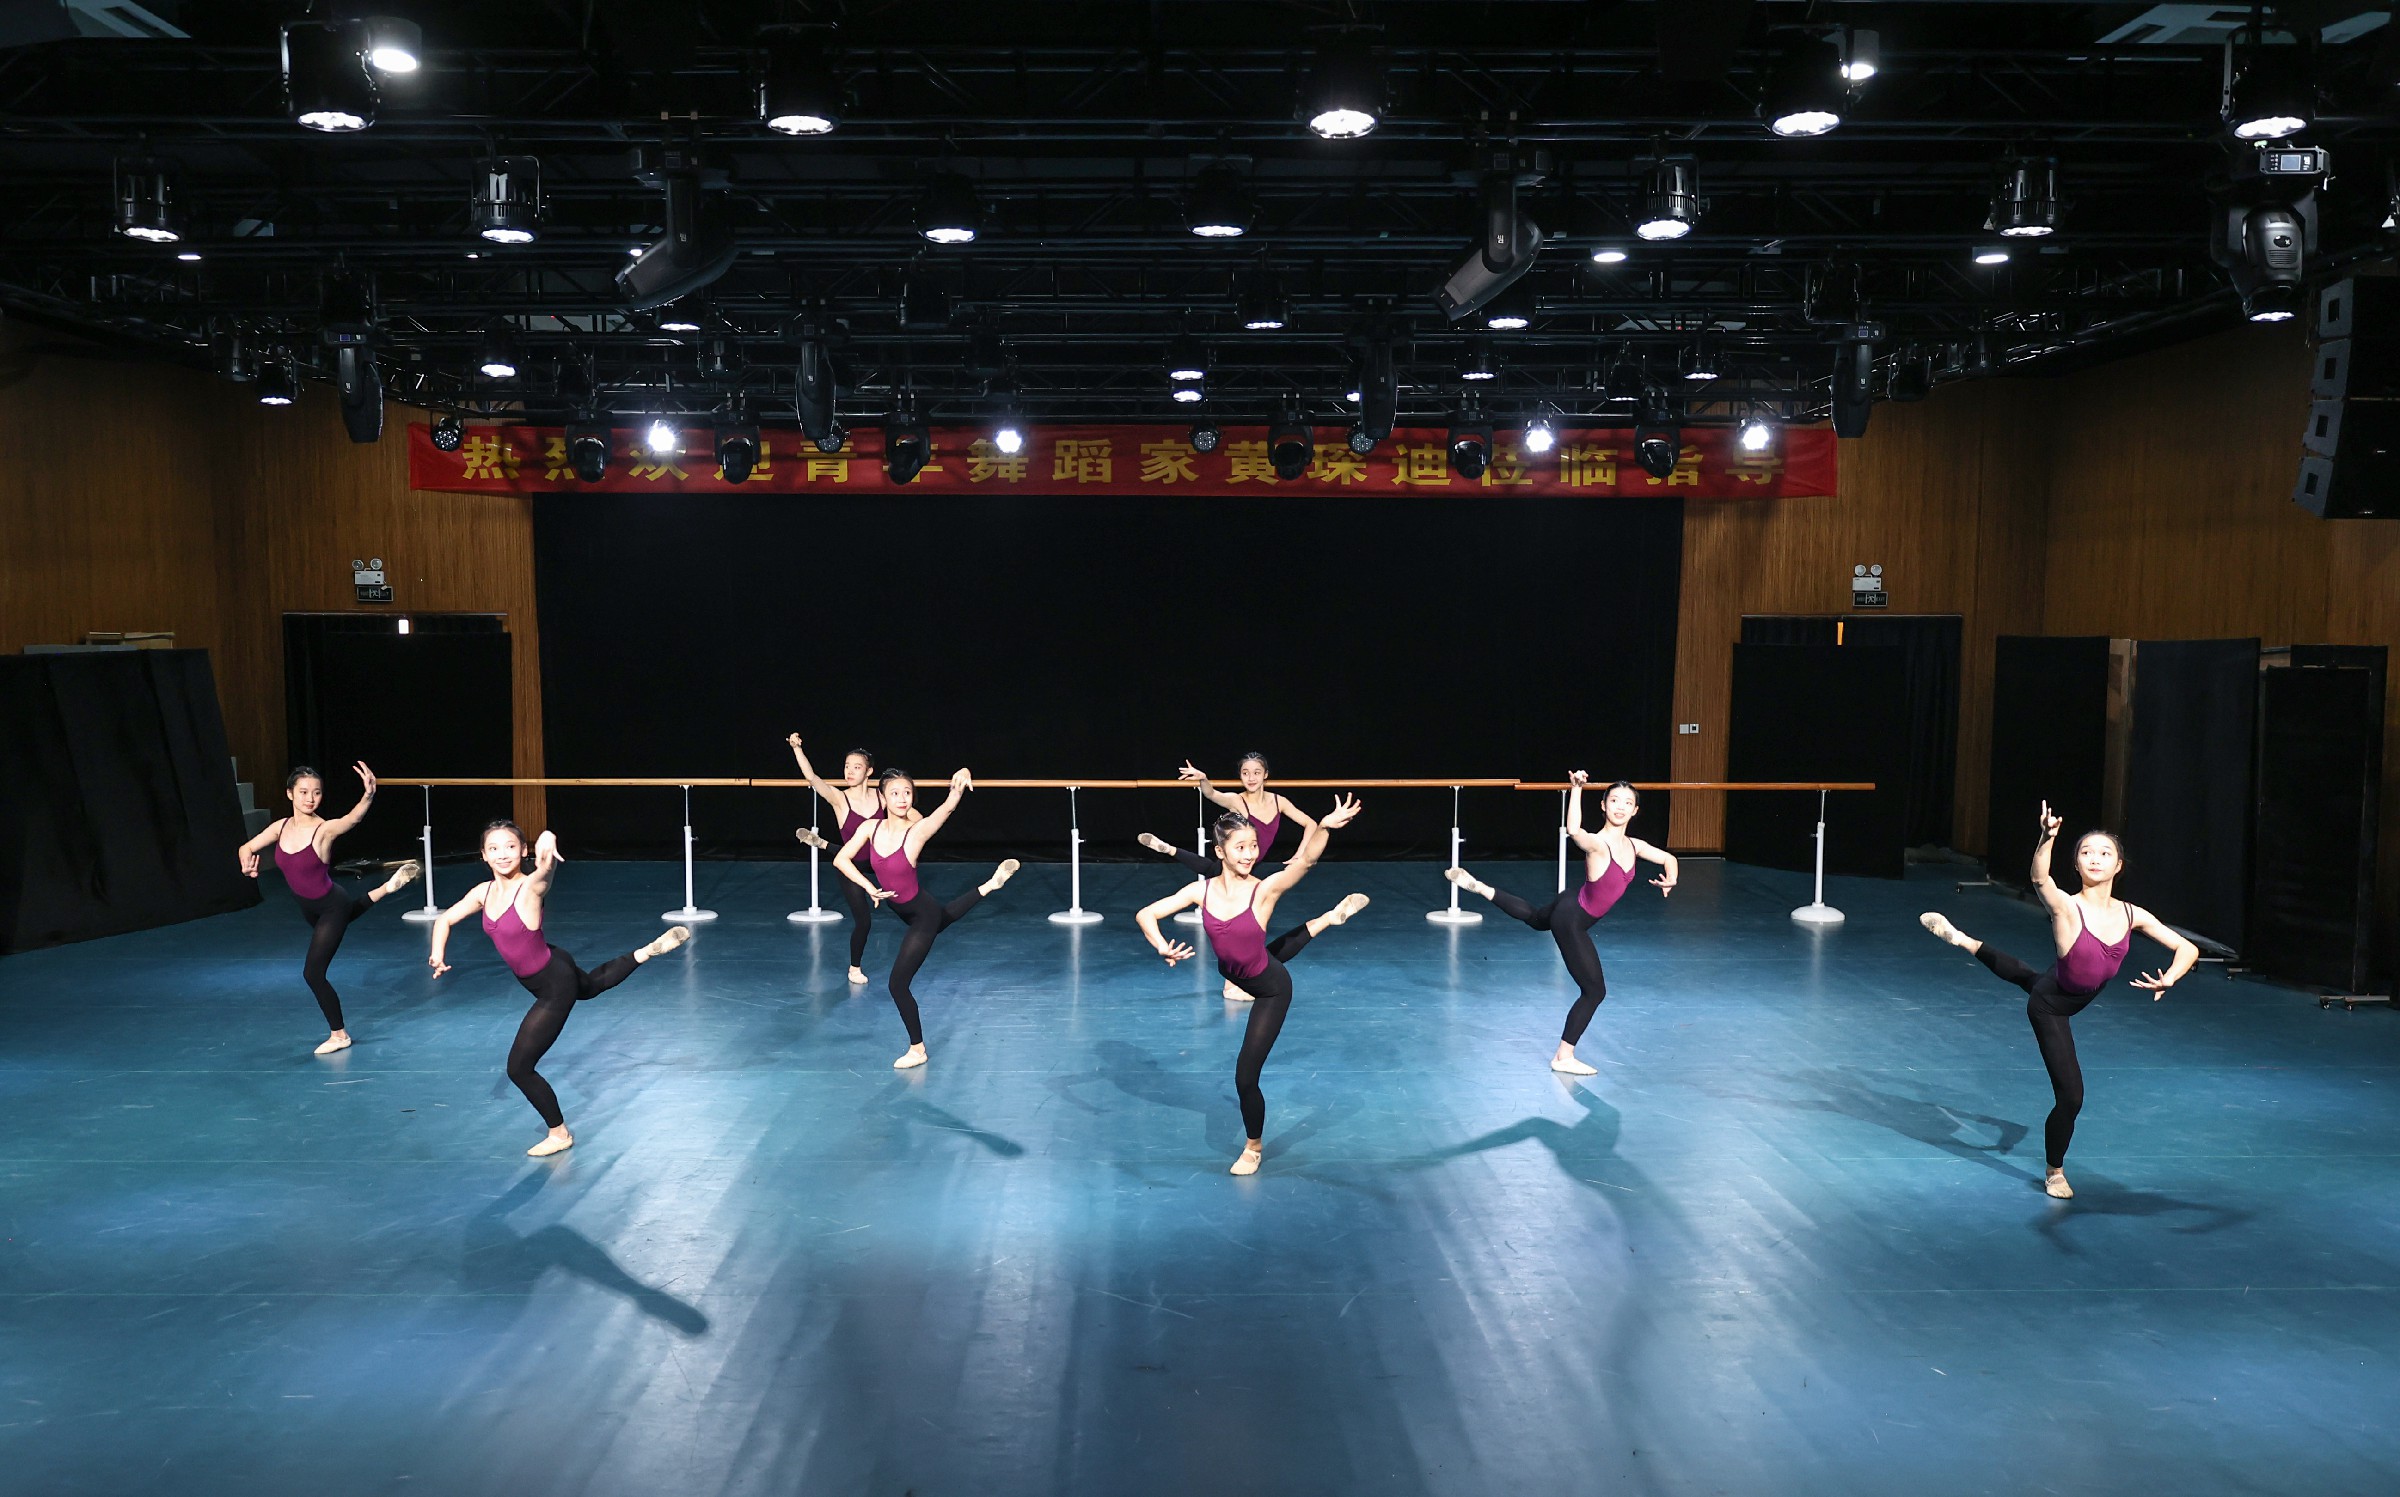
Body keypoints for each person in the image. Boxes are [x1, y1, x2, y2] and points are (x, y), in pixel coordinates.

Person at [1919, 801, 2198, 1198]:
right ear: (2077, 864)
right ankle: (2055, 1171)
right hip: (2052, 1007)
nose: (2095, 858)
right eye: (2086, 852)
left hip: (2062, 985)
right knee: (2071, 1096)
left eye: (2105, 853)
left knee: (2032, 978)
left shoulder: (2132, 914)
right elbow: (2039, 878)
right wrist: (2047, 838)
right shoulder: (2066, 907)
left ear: (2118, 865)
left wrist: (2170, 977)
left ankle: (1963, 939)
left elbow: (2187, 948)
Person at [1134, 795, 1368, 1175]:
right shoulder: (1200, 891)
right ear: (1220, 852)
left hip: (1270, 990)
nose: (1249, 854)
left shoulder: (1264, 890)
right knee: (1263, 956)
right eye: (1240, 847)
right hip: (1241, 972)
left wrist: (1323, 827)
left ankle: (1253, 1148)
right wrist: (1162, 946)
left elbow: (1306, 862)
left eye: (1254, 846)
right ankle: (1326, 919)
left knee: (1245, 1077)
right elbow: (1146, 914)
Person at [427, 820, 692, 1156]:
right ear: (483, 855)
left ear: (524, 850)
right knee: (590, 987)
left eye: (510, 846)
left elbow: (545, 872)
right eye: (494, 848)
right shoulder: (483, 892)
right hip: (555, 960)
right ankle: (645, 952)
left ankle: (559, 1133)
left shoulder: (530, 888)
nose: (502, 854)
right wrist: (437, 954)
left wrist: (549, 840)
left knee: (519, 1069)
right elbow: (445, 919)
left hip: (553, 984)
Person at [1445, 772, 1677, 1076]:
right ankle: (1563, 1057)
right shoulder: (1598, 844)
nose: (1620, 806)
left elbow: (1669, 858)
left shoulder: (1635, 845)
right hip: (1573, 920)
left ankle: (1483, 889)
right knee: (1594, 992)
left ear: (1635, 810)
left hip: (1570, 901)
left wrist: (1671, 878)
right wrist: (1576, 789)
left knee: (1535, 919)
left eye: (1627, 802)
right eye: (1614, 800)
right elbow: (1574, 830)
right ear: (1603, 805)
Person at [833, 768, 1019, 1070]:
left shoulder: (916, 832)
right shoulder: (870, 828)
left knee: (898, 983)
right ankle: (989, 885)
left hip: (921, 914)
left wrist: (959, 782)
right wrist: (869, 887)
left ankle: (917, 1049)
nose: (902, 798)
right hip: (904, 909)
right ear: (882, 798)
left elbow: (945, 810)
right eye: (895, 793)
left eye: (907, 792)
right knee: (944, 919)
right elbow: (841, 859)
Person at [236, 761, 420, 1055]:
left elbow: (352, 819)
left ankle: (339, 1034)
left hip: (331, 905)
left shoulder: (324, 830)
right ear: (290, 794)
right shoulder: (280, 827)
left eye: (317, 792)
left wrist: (368, 795)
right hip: (308, 908)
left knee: (313, 973)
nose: (310, 798)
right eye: (304, 792)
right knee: (346, 917)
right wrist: (247, 863)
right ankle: (386, 888)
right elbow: (246, 847)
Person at [1137, 754, 1321, 999]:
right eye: (1245, 773)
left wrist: (1299, 854)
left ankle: (1171, 850)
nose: (1251, 778)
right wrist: (1203, 779)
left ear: (1266, 774)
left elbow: (1310, 824)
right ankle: (1234, 985)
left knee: (1215, 876)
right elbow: (1212, 794)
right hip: (1237, 866)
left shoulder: (1279, 802)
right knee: (1220, 885)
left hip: (1249, 865)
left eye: (1256, 772)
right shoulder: (1237, 800)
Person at [787, 734, 896, 985]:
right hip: (851, 865)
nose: (849, 771)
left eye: (856, 767)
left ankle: (823, 844)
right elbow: (811, 777)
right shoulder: (839, 798)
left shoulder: (882, 797)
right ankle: (854, 968)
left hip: (878, 860)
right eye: (847, 766)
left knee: (907, 901)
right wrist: (796, 748)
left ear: (869, 772)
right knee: (864, 921)